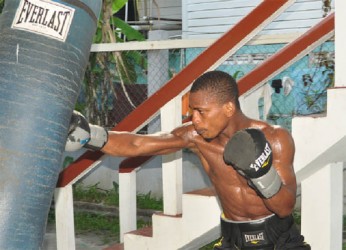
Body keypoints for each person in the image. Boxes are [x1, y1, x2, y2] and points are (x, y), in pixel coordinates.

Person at [66, 70, 310, 250]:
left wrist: (262, 175)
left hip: (280, 242)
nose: (194, 119)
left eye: (201, 111)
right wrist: (91, 135)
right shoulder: (196, 138)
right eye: (192, 111)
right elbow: (138, 143)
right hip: (233, 240)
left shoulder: (275, 138)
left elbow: (285, 207)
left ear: (227, 108)